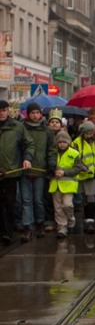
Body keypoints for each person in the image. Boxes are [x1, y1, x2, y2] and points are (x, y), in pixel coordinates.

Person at [20, 102, 56, 241]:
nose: (35, 116)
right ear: (28, 114)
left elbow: (52, 149)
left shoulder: (47, 130)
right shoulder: (22, 128)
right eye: (32, 113)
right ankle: (27, 226)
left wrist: (51, 164)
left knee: (38, 200)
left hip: (40, 170)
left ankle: (40, 222)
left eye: (37, 113)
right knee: (26, 200)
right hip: (24, 169)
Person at [0, 99, 34, 243]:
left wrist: (27, 158)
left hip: (11, 172)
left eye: (3, 110)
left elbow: (29, 144)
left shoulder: (18, 127)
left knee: (9, 203)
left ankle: (7, 232)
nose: (1, 113)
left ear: (8, 111)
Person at [71, 121, 95, 233]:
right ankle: (89, 218)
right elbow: (76, 158)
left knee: (93, 197)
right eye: (87, 134)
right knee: (86, 198)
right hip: (84, 174)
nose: (89, 136)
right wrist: (82, 167)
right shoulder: (76, 143)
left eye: (91, 133)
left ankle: (90, 219)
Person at [49, 131, 83, 239]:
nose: (62, 144)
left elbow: (78, 168)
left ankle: (71, 219)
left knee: (67, 204)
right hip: (55, 184)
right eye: (59, 142)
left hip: (69, 184)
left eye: (64, 142)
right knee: (58, 207)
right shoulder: (52, 153)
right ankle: (62, 227)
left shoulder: (74, 153)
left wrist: (64, 172)